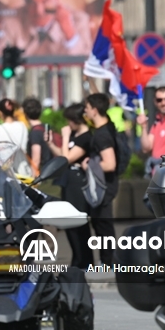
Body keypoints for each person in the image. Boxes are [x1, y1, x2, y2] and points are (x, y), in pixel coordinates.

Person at [63, 94, 119, 267]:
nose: (85, 111)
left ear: (94, 110)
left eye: (87, 108)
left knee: (103, 227)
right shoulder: (107, 127)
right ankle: (106, 262)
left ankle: (109, 264)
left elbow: (109, 164)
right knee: (100, 225)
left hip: (102, 187)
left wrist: (91, 165)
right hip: (104, 185)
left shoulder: (102, 135)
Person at [1, 0, 92, 59]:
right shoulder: (11, 21)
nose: (39, 11)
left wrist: (70, 34)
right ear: (26, 3)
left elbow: (88, 64)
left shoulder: (79, 20)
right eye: (32, 3)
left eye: (45, 1)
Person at [54, 103, 93, 268]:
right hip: (68, 180)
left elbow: (67, 158)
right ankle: (77, 258)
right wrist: (51, 144)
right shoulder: (74, 137)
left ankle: (84, 260)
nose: (68, 124)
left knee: (78, 224)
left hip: (78, 182)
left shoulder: (85, 137)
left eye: (70, 120)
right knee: (69, 224)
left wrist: (64, 137)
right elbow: (63, 156)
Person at [0, 98, 31, 177]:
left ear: (0, 112)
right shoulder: (22, 126)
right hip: (23, 170)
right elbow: (24, 147)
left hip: (6, 171)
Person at [22, 97, 53, 177]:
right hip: (50, 171)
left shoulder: (35, 133)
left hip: (42, 174)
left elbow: (36, 159)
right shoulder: (44, 128)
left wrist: (33, 180)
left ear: (25, 114)